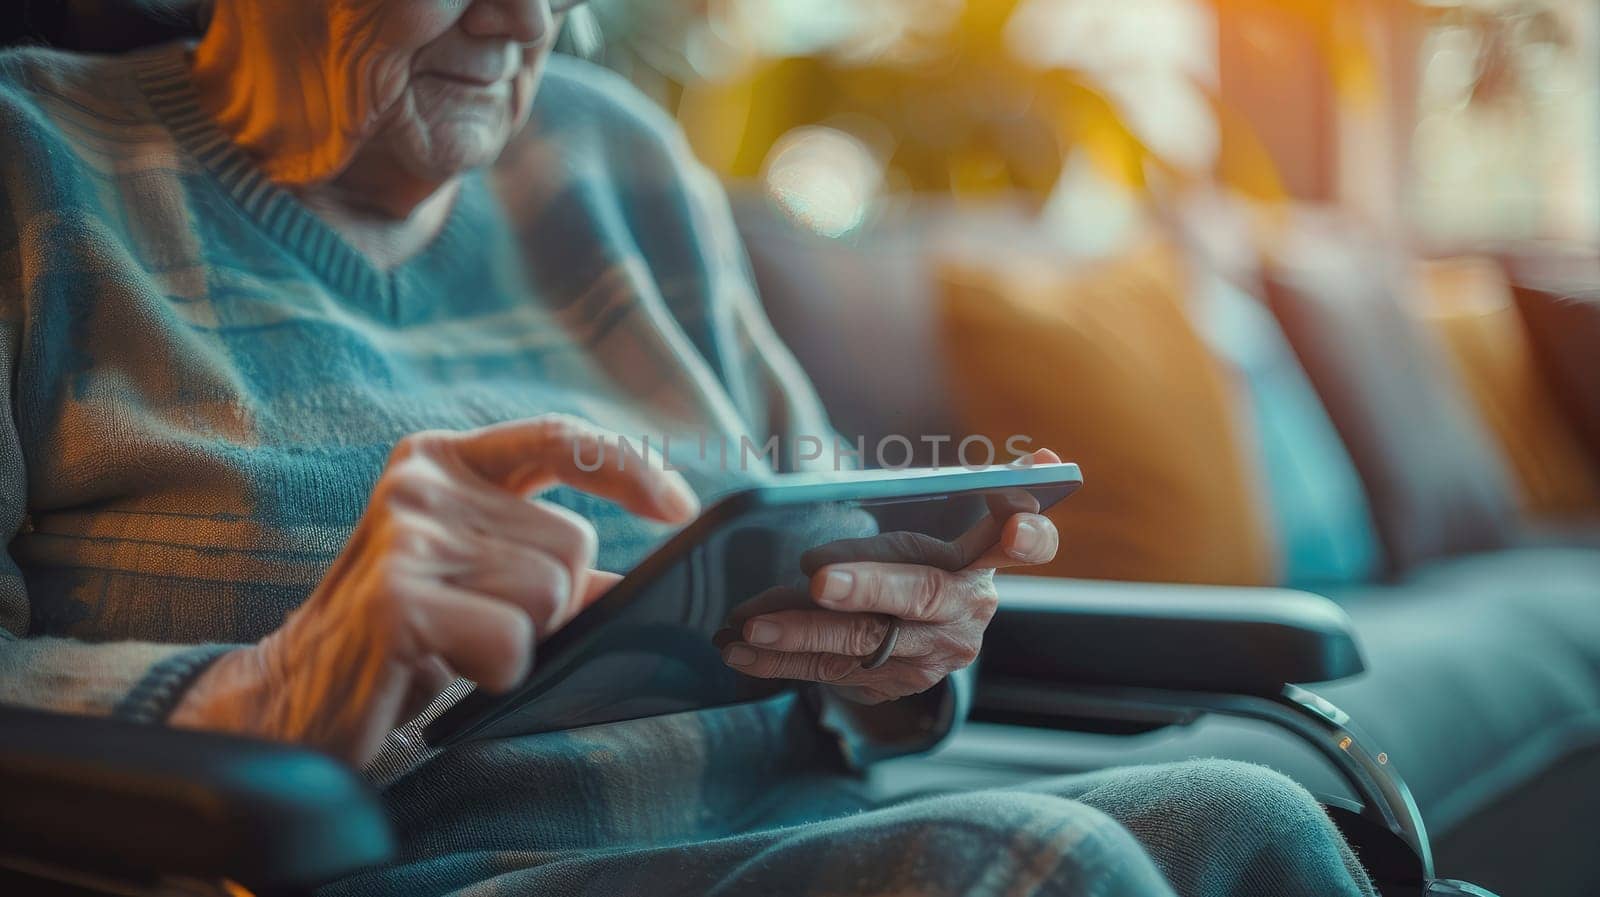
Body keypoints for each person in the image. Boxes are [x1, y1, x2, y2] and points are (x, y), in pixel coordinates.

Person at [0, 1, 1375, 895]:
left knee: (1249, 818)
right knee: (1035, 869)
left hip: (778, 822)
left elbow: (828, 521)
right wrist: (270, 685)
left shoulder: (615, 162)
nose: (528, 20)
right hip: (401, 864)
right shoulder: (32, 166)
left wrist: (911, 638)